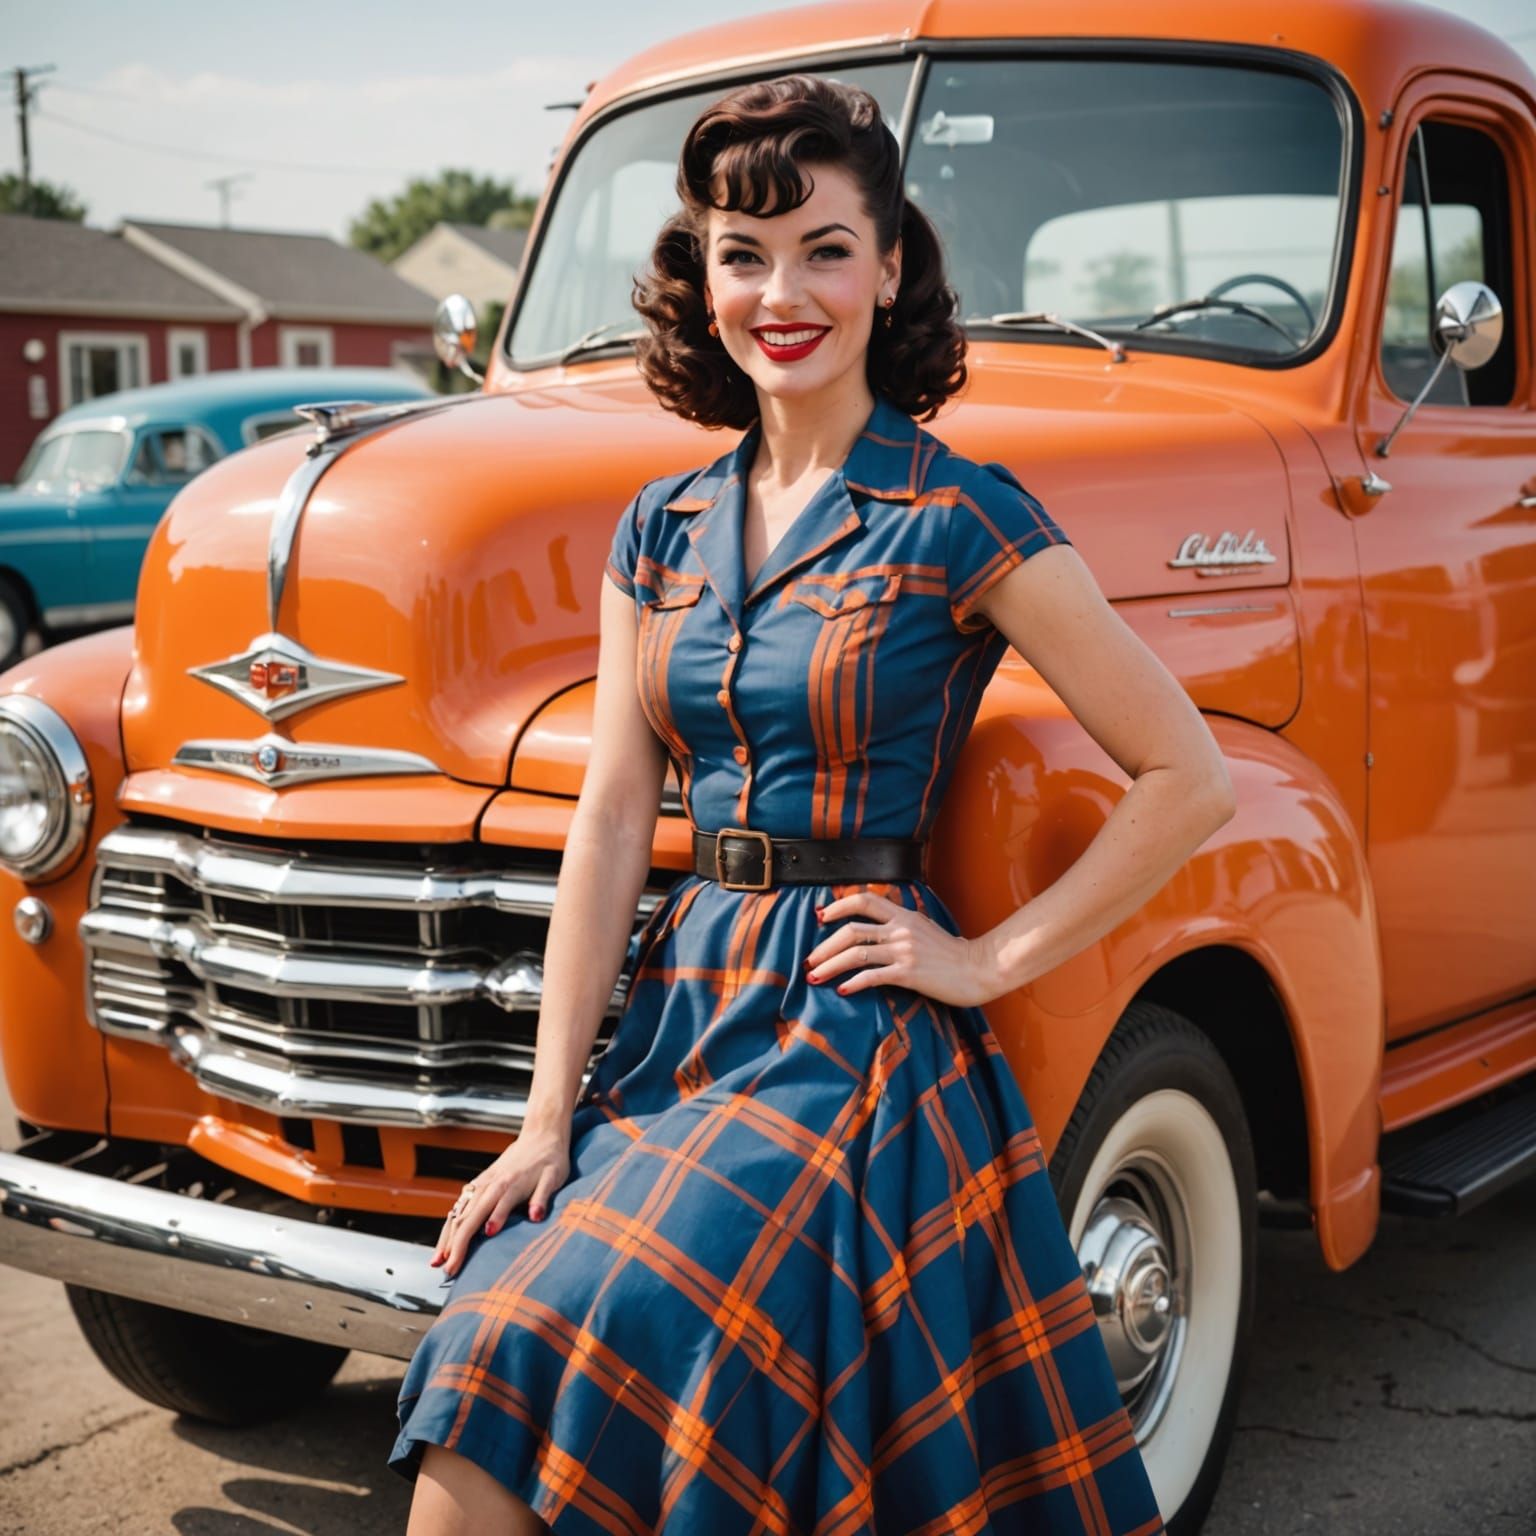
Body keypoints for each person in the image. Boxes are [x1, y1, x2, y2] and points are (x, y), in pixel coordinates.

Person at [391, 72, 1232, 1535]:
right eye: (743, 253)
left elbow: (1190, 776)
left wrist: (983, 962)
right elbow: (609, 822)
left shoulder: (955, 510)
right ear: (699, 275)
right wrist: (540, 1119)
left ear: (891, 265)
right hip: (682, 1014)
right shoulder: (657, 526)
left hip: (853, 1029)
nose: (783, 292)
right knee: (484, 1354)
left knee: (609, 1322)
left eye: (826, 249)